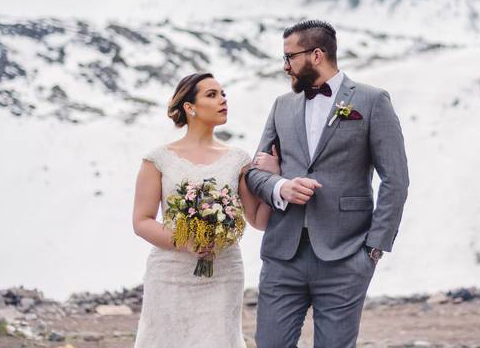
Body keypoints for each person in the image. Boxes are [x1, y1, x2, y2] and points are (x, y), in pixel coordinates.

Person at [245, 20, 410, 347]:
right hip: (282, 256)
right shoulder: (282, 105)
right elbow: (255, 172)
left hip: (345, 256)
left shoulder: (372, 101)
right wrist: (282, 187)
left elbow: (395, 179)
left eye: (290, 57)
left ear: (316, 55)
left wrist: (373, 249)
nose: (285, 66)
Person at [131, 72, 278, 347]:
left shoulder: (238, 159)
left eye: (223, 94)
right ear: (190, 107)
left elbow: (257, 219)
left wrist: (274, 177)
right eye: (212, 95)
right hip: (169, 274)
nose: (223, 100)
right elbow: (142, 221)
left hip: (223, 273)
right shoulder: (158, 159)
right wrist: (186, 241)